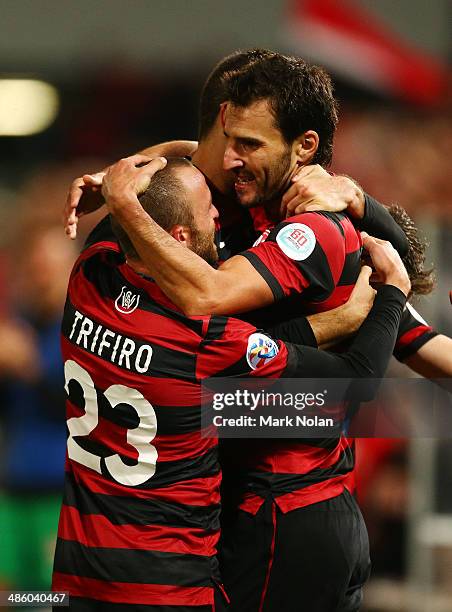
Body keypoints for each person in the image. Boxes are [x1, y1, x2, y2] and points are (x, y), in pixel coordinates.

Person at [53, 156, 411, 611]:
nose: (220, 215)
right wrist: (392, 294)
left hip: (74, 579)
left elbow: (136, 215)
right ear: (178, 239)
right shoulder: (204, 333)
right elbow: (354, 385)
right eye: (209, 210)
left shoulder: (88, 274)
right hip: (167, 587)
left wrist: (122, 193)